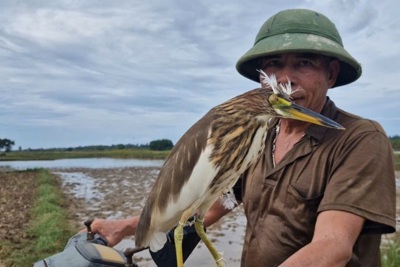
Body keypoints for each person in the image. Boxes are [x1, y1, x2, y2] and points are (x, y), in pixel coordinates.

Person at [88, 9, 396, 267]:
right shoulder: (258, 136)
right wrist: (126, 227)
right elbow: (213, 204)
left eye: (304, 63)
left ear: (331, 72)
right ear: (262, 75)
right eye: (274, 64)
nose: (285, 78)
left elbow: (333, 246)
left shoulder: (360, 139)